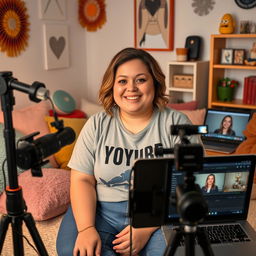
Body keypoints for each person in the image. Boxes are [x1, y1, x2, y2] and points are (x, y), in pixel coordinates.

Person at [56, 47, 200, 256]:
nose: (131, 88)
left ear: (155, 82)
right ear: (112, 86)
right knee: (73, 251)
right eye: (122, 81)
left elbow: (189, 183)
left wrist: (146, 227)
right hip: (101, 210)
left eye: (140, 79)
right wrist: (86, 229)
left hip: (158, 212)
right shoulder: (96, 124)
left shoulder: (178, 122)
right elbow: (82, 180)